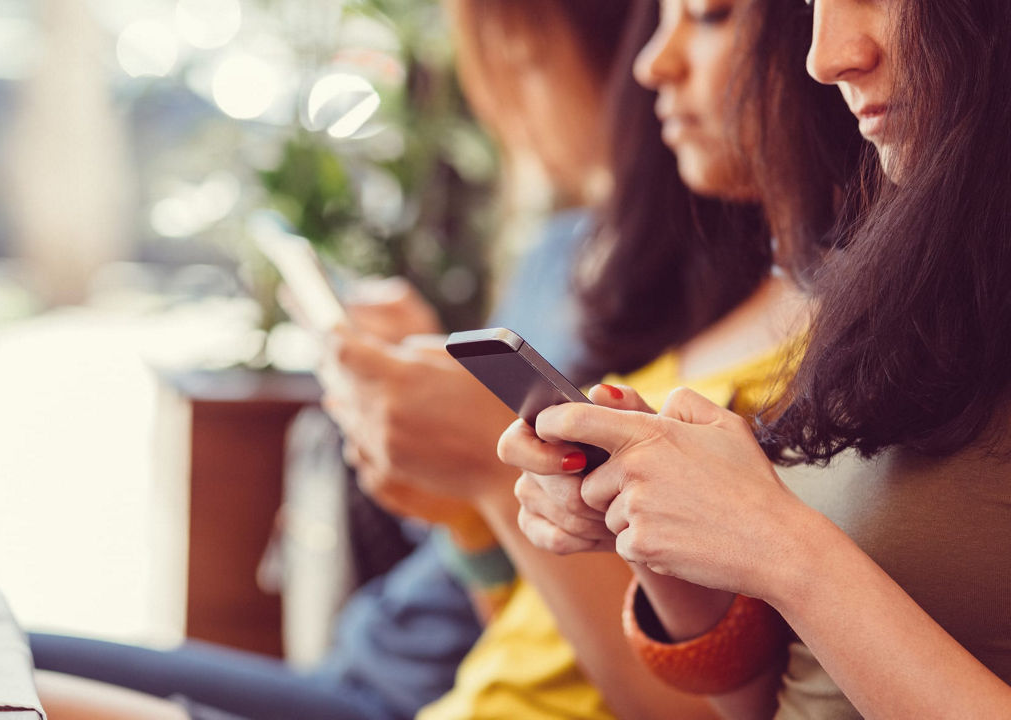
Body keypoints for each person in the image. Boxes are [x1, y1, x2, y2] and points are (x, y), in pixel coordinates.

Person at [32, 1, 629, 718]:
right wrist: (423, 383)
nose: (498, 104)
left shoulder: (648, 296)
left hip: (417, 689)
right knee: (2, 652)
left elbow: (548, 551)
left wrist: (478, 472)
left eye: (527, 67)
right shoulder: (558, 250)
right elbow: (471, 518)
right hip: (381, 654)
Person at [326, 1, 863, 718]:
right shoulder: (731, 299)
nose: (648, 66)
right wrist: (473, 526)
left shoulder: (845, 357)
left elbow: (715, 706)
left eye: (709, 16)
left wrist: (489, 476)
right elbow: (527, 651)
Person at [498, 0, 1011, 717]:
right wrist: (661, 536)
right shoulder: (919, 284)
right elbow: (781, 701)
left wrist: (779, 548)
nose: (821, 57)